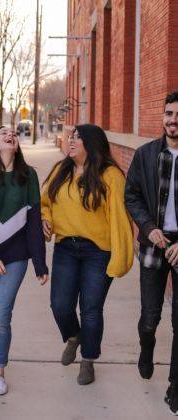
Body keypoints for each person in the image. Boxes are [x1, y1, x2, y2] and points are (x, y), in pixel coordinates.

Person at [41, 123, 134, 385]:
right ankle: (73, 336)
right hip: (66, 248)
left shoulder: (111, 176)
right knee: (60, 305)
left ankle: (88, 360)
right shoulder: (61, 171)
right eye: (71, 137)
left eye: (77, 139)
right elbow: (45, 202)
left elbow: (119, 219)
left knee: (91, 309)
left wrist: (120, 258)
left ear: (91, 144)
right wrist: (44, 219)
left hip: (98, 252)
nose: (70, 141)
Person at [0, 126, 48, 396]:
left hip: (15, 257)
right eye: (4, 132)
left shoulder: (29, 176)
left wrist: (40, 263)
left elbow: (35, 223)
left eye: (14, 133)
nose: (10, 134)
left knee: (1, 315)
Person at [124, 91, 178, 415]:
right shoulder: (146, 155)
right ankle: (147, 348)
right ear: (163, 116)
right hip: (154, 243)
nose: (174, 120)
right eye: (169, 113)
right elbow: (131, 195)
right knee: (151, 317)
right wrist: (147, 227)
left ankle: (175, 386)